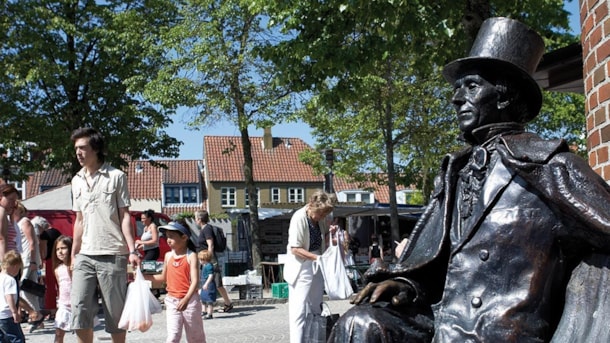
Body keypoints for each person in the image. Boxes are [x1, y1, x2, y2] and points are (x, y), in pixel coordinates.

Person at [330, 17, 610, 342]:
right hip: (444, 324)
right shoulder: (456, 173)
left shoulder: (549, 166)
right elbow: (439, 262)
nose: (456, 98)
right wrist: (406, 283)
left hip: (502, 334)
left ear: (504, 96)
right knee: (360, 323)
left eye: (472, 86)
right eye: (457, 89)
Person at [69, 127, 140, 343]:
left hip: (112, 253)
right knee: (79, 311)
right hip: (85, 256)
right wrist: (73, 254)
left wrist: (132, 250)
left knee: (114, 315)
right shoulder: (76, 181)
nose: (78, 153)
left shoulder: (116, 176)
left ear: (96, 149)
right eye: (76, 149)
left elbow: (125, 215)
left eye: (82, 148)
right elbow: (79, 221)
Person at [283, 189, 338, 343]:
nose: (322, 217)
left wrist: (331, 235)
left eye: (324, 215)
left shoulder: (319, 219)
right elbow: (295, 249)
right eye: (320, 214)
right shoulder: (299, 218)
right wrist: (318, 258)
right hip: (302, 266)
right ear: (312, 206)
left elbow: (321, 242)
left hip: (316, 264)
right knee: (298, 310)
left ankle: (315, 338)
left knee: (316, 307)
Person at [144, 221, 205, 343]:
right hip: (172, 301)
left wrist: (186, 299)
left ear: (184, 237)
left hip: (190, 301)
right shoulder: (168, 256)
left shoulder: (191, 256)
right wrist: (143, 276)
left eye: (172, 236)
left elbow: (195, 281)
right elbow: (162, 278)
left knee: (195, 338)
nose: (168, 240)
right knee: (173, 337)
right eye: (167, 236)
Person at [12, 202, 44, 332]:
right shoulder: (17, 223)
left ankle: (36, 315)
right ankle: (37, 316)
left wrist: (32, 262)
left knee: (23, 288)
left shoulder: (24, 222)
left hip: (27, 261)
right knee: (29, 290)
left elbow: (32, 242)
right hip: (23, 261)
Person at [194, 210, 233, 313]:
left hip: (209, 259)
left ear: (199, 219)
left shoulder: (207, 229)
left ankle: (228, 303)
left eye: (196, 218)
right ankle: (224, 303)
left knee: (216, 282)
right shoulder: (204, 229)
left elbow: (210, 245)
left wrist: (208, 259)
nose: (195, 220)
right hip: (205, 259)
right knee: (212, 281)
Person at [35, 216, 61, 319]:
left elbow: (44, 252)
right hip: (60, 260)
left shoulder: (44, 235)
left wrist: (41, 261)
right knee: (61, 284)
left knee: (50, 286)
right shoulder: (57, 232)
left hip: (50, 261)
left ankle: (52, 310)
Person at [0, 250, 26, 343]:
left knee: (2, 339)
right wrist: (14, 312)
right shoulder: (10, 280)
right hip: (7, 314)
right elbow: (9, 297)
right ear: (15, 266)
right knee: (17, 338)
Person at [52, 236, 73, 343]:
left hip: (76, 304)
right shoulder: (58, 269)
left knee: (83, 332)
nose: (60, 252)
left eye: (63, 248)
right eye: (57, 249)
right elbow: (60, 287)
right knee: (59, 333)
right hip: (64, 305)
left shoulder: (74, 267)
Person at [0, 184, 20, 260]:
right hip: (7, 262)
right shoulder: (1, 211)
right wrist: (3, 263)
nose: (13, 203)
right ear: (1, 197)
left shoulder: (4, 213)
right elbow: (2, 239)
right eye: (11, 199)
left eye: (14, 201)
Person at [198, 250, 216, 320]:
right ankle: (203, 311)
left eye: (200, 259)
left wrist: (206, 284)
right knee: (203, 299)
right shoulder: (204, 265)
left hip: (209, 285)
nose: (200, 261)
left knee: (209, 300)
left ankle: (209, 313)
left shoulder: (209, 266)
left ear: (204, 259)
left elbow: (210, 276)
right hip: (204, 283)